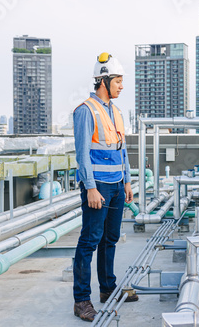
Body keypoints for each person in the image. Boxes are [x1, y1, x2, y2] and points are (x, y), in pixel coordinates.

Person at [73, 52, 138, 322]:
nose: (122, 86)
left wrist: (127, 180)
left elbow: (121, 149)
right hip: (97, 186)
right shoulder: (86, 110)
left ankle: (107, 287)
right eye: (118, 81)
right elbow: (83, 153)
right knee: (89, 241)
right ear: (104, 80)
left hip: (115, 186)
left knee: (110, 239)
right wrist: (90, 187)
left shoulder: (116, 112)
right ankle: (81, 300)